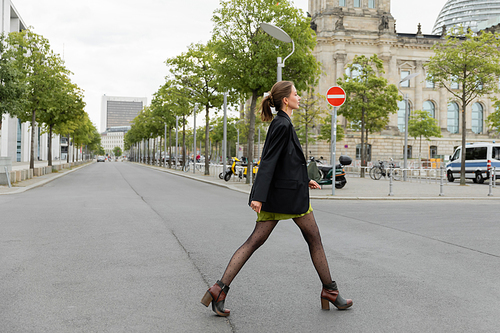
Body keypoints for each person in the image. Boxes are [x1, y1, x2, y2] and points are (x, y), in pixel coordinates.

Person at [201, 81, 353, 317]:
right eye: (295, 93)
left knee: (258, 242)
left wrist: (305, 179)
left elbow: (288, 162)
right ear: (285, 100)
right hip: (288, 199)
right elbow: (269, 161)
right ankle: (330, 292)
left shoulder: (283, 123)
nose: (299, 96)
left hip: (287, 193)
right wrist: (258, 196)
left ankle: (218, 290)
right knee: (313, 240)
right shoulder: (281, 124)